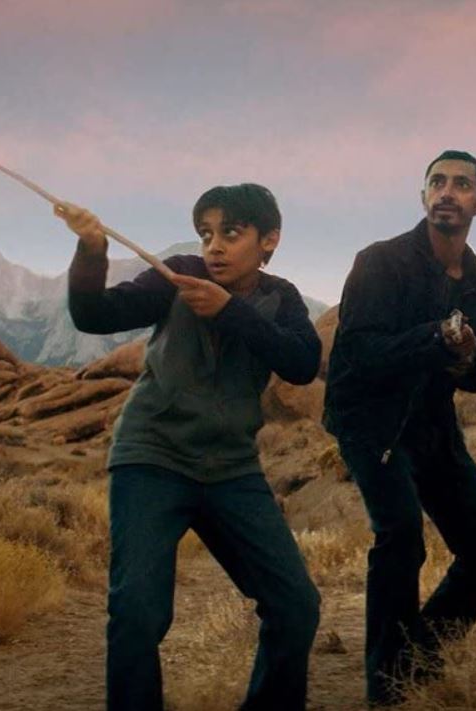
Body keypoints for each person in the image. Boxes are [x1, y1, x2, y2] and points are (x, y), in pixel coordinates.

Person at [59, 184, 321, 711]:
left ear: (268, 240)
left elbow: (301, 362)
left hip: (232, 469)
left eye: (231, 233)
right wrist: (91, 250)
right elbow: (94, 316)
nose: (214, 247)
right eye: (206, 234)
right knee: (137, 613)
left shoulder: (281, 298)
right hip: (151, 459)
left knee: (295, 604)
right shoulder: (177, 274)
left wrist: (229, 312)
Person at [323, 150, 476, 705]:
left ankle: (414, 664)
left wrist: (465, 360)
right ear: (424, 195)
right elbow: (360, 352)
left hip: (433, 426)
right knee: (401, 536)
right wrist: (436, 339)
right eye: (438, 182)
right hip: (370, 422)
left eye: (462, 184)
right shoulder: (380, 262)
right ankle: (387, 692)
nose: (447, 192)